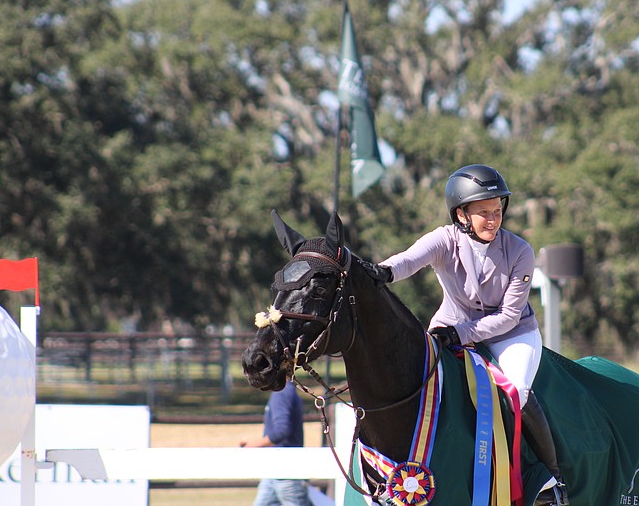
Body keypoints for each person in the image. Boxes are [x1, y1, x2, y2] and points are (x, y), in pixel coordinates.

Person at [360, 164, 569, 506]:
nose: (493, 220)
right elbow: (409, 259)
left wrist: (460, 333)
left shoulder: (520, 251)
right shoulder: (445, 239)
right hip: (451, 322)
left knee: (518, 391)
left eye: (497, 211)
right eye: (484, 212)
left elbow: (507, 316)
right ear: (461, 214)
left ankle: (550, 477)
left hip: (511, 334)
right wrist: (383, 272)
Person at [240, 382, 312, 506]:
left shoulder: (282, 392)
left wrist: (252, 445)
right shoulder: (285, 391)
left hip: (286, 472)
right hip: (274, 470)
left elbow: (281, 431)